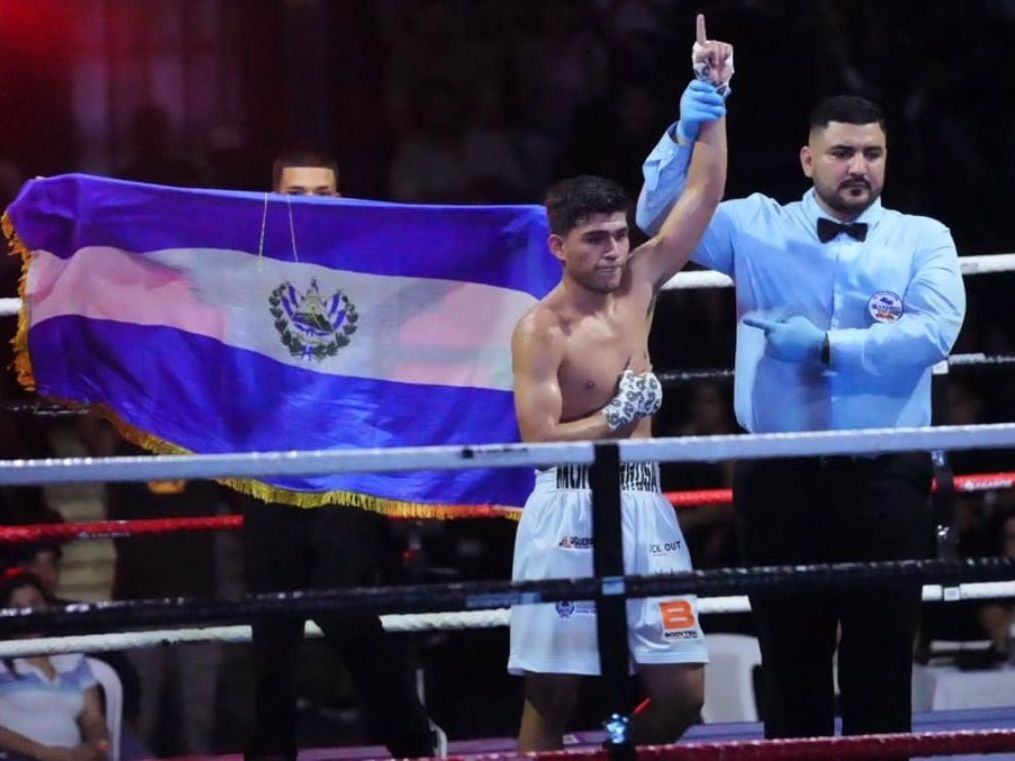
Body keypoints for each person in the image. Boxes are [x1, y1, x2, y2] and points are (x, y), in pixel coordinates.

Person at [636, 91, 966, 741]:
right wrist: (687, 128)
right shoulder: (754, 226)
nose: (858, 166)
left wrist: (826, 346)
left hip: (885, 481)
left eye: (872, 153)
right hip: (778, 477)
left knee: (882, 664)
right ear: (807, 159)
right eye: (842, 152)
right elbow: (656, 216)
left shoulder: (923, 237)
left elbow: (933, 334)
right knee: (790, 665)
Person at [508, 15, 730, 752]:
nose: (612, 249)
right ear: (558, 245)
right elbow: (539, 442)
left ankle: (612, 754)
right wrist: (616, 414)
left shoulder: (638, 284)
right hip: (567, 507)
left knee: (683, 693)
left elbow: (701, 196)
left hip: (643, 501)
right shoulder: (541, 330)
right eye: (594, 239)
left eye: (618, 234)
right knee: (551, 695)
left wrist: (712, 98)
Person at [239, 145, 444, 761]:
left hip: (351, 461)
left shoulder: (373, 259)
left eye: (322, 195)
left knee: (342, 604)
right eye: (295, 195)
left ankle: (412, 739)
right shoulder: (244, 263)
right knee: (272, 621)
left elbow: (439, 275)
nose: (310, 206)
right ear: (274, 198)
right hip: (269, 464)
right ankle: (270, 753)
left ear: (342, 198)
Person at [0, 571, 110, 761]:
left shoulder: (72, 658)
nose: (29, 615)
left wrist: (97, 748)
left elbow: (95, 721)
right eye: (18, 609)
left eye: (35, 605)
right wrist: (42, 753)